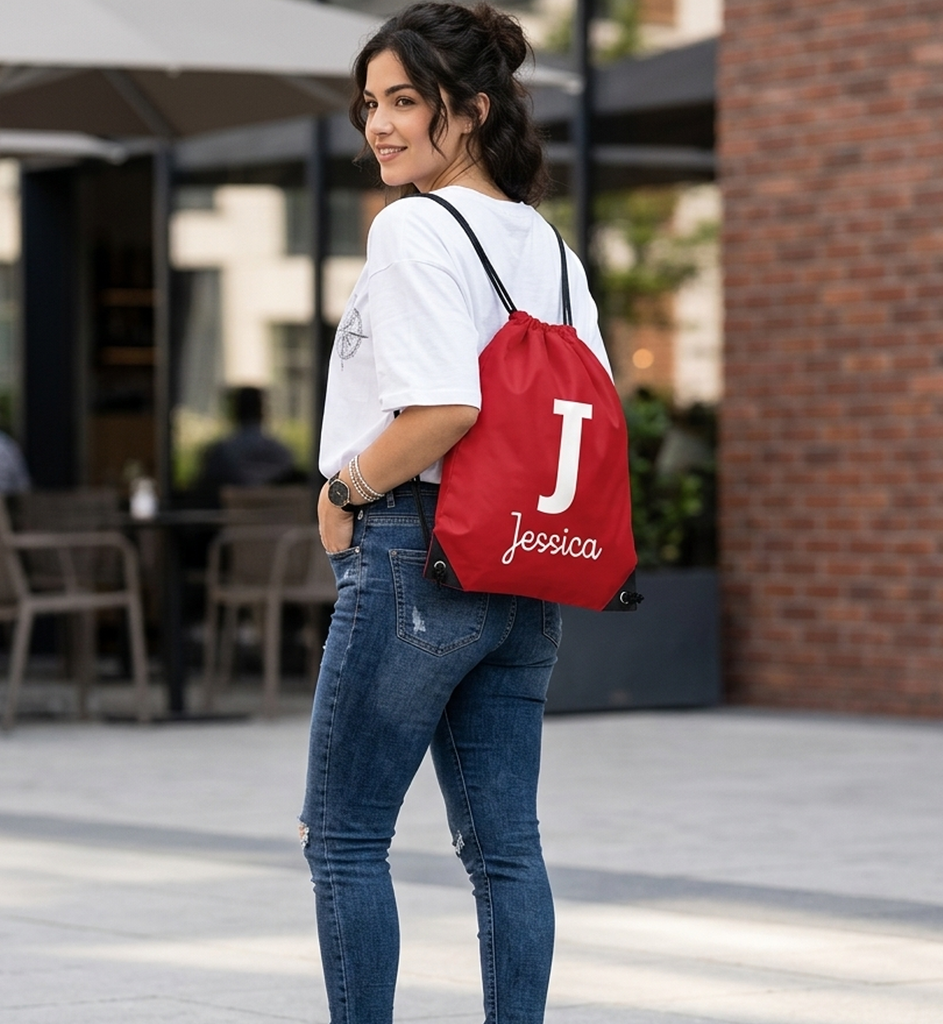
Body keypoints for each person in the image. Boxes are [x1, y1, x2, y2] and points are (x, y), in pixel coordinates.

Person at [301, 4, 613, 1022]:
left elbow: (446, 407)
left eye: (404, 101)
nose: (377, 126)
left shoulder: (413, 228)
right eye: (369, 104)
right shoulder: (550, 250)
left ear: (470, 110)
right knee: (505, 850)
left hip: (414, 553)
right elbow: (592, 407)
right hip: (524, 569)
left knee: (346, 837)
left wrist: (344, 489)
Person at [195, 386, 296, 500]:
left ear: (235, 410)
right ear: (262, 410)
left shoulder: (220, 452)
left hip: (227, 515)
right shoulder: (281, 452)